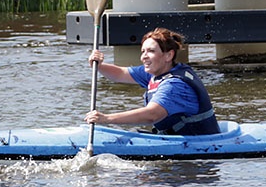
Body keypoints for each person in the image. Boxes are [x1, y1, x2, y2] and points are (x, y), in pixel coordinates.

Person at [84, 28, 221, 135]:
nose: (144, 57)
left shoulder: (175, 85)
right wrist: (99, 65)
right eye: (143, 51)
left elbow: (152, 115)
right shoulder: (155, 72)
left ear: (168, 55)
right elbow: (120, 74)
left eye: (150, 51)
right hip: (174, 137)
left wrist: (106, 119)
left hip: (196, 145)